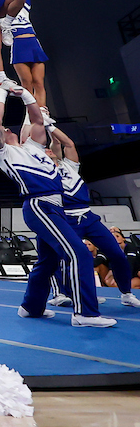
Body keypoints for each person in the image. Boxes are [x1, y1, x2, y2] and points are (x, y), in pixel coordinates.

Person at [0, 84, 115, 327]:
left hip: (56, 207)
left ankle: (30, 307)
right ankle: (85, 314)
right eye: (3, 129)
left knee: (48, 261)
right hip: (40, 205)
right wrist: (2, 93)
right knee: (79, 253)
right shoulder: (3, 153)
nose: (6, 128)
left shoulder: (33, 147)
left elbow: (36, 119)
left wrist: (25, 94)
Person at [45, 125, 139, 308]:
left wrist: (49, 125)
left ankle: (127, 293)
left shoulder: (69, 166)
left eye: (50, 148)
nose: (48, 150)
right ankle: (63, 293)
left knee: (117, 254)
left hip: (87, 216)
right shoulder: (43, 172)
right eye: (45, 151)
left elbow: (66, 143)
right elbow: (52, 146)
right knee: (65, 257)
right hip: (65, 218)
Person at [3, 0, 50, 115]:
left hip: (33, 45)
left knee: (38, 82)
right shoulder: (3, 16)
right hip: (19, 47)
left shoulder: (25, 8)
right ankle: (31, 114)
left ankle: (42, 112)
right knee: (27, 83)